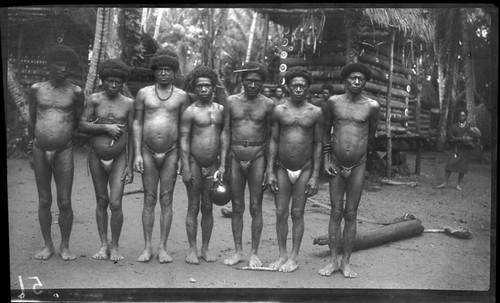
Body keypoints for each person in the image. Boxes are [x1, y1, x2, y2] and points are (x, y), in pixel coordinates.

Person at [319, 63, 379, 278]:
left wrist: (357, 156)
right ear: (345, 80)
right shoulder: (333, 102)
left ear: (365, 82)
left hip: (357, 165)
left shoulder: (372, 106)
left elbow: (370, 135)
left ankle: (346, 262)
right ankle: (333, 260)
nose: (356, 82)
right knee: (335, 212)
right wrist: (326, 159)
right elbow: (325, 131)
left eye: (360, 79)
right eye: (352, 78)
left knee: (351, 213)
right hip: (334, 163)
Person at [133, 47, 190, 263]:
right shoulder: (144, 93)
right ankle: (147, 247)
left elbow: (185, 130)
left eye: (168, 70)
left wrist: (183, 160)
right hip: (147, 151)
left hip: (171, 152)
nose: (164, 73)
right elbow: (137, 122)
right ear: (154, 71)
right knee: (149, 199)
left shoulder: (182, 97)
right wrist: (137, 153)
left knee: (167, 199)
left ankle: (163, 247)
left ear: (174, 73)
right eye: (160, 69)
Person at [28, 44, 85, 260]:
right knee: (44, 200)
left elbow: (77, 122)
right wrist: (34, 143)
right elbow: (32, 119)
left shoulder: (76, 92)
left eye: (67, 66)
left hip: (64, 151)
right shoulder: (36, 89)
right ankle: (47, 245)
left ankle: (65, 246)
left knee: (64, 201)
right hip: (40, 149)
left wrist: (60, 141)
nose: (63, 69)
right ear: (50, 66)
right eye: (59, 64)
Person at [265, 66, 323, 273]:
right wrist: (269, 171)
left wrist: (316, 175)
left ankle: (294, 257)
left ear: (308, 88)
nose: (298, 89)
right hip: (281, 168)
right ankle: (282, 255)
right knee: (281, 213)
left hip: (305, 169)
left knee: (297, 212)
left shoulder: (315, 112)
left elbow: (318, 144)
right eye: (295, 85)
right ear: (288, 87)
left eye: (302, 86)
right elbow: (272, 140)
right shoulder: (279, 110)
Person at [217, 61, 275, 267]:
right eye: (249, 80)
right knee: (237, 206)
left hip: (257, 155)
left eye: (257, 81)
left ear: (262, 83)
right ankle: (238, 251)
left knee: (255, 206)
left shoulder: (268, 105)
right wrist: (222, 164)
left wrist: (269, 169)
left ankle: (254, 253)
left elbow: (270, 137)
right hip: (235, 153)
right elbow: (225, 131)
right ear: (242, 80)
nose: (253, 85)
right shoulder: (231, 102)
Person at [78, 59, 135, 261]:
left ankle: (115, 246)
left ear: (122, 83)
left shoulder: (129, 104)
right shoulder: (94, 100)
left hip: (119, 158)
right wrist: (104, 127)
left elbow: (132, 134)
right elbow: (81, 125)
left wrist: (130, 164)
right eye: (110, 81)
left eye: (117, 82)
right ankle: (103, 245)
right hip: (96, 156)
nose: (113, 85)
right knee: (102, 201)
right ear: (103, 81)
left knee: (116, 202)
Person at [180, 66, 224, 264]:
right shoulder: (190, 111)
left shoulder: (221, 111)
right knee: (193, 206)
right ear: (195, 88)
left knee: (208, 207)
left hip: (213, 165)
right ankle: (192, 249)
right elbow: (183, 140)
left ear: (213, 87)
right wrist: (186, 167)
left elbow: (226, 139)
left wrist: (223, 165)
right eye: (200, 86)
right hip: (195, 163)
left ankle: (205, 249)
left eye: (207, 85)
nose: (203, 89)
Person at [435, 109, 480, 190]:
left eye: (463, 115)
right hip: (455, 149)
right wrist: (460, 139)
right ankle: (444, 183)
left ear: (466, 116)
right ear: (458, 116)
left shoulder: (469, 127)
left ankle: (458, 185)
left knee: (462, 167)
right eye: (460, 115)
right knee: (449, 165)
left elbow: (476, 138)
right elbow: (450, 137)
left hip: (465, 150)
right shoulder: (454, 126)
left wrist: (471, 142)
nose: (462, 117)